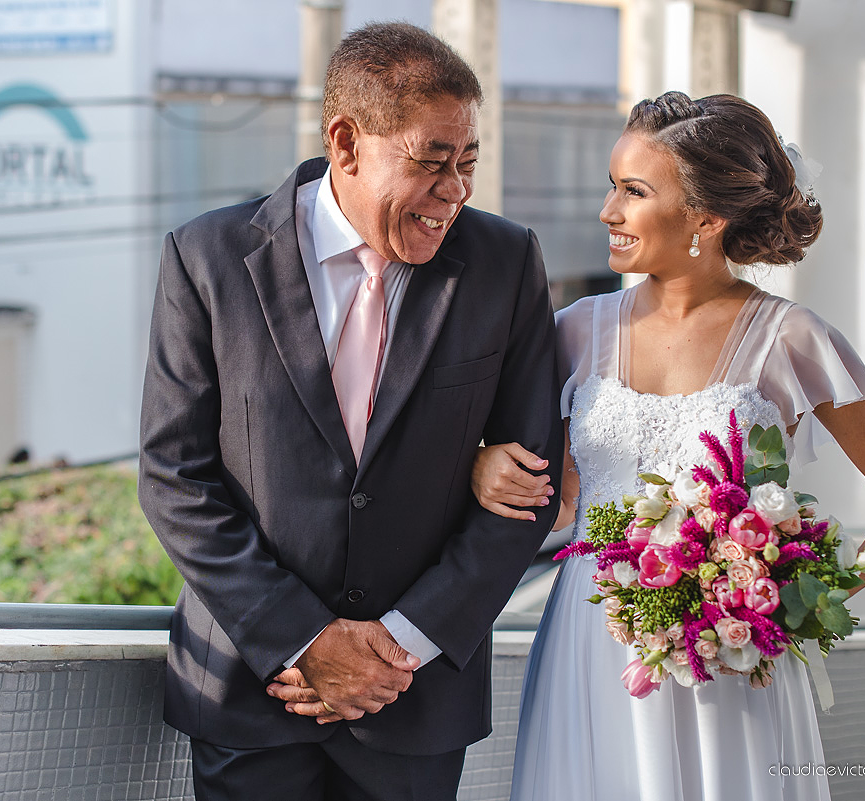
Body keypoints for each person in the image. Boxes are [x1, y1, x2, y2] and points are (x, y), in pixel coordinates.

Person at [138, 21, 563, 801]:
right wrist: (301, 638)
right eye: (432, 161)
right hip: (251, 692)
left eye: (468, 162)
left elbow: (532, 485)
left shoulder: (505, 263)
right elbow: (174, 476)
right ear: (346, 142)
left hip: (415, 701)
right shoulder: (207, 259)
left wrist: (397, 648)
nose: (456, 191)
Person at [471, 91, 865, 801]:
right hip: (588, 642)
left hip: (729, 656)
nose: (608, 211)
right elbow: (557, 497)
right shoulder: (573, 330)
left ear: (706, 218)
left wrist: (810, 595)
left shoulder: (792, 338)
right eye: (611, 186)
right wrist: (484, 463)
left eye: (633, 191)